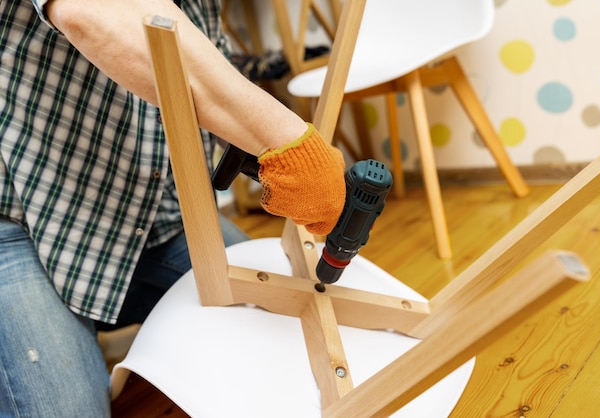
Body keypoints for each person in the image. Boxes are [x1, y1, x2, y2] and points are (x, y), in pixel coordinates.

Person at [0, 0, 346, 416]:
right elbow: (88, 9)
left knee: (284, 324)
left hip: (148, 215)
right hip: (18, 218)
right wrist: (293, 147)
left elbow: (200, 81)